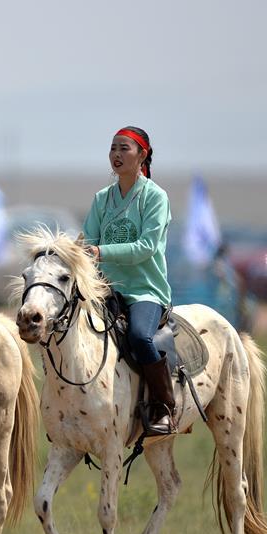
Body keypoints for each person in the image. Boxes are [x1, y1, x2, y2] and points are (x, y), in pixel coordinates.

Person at [83, 126, 176, 435]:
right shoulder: (101, 198)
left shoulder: (155, 197)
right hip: (105, 289)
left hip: (144, 291)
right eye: (113, 148)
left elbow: (146, 248)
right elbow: (87, 243)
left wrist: (99, 251)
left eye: (124, 148)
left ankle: (164, 406)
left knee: (139, 337)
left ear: (142, 155)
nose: (116, 155)